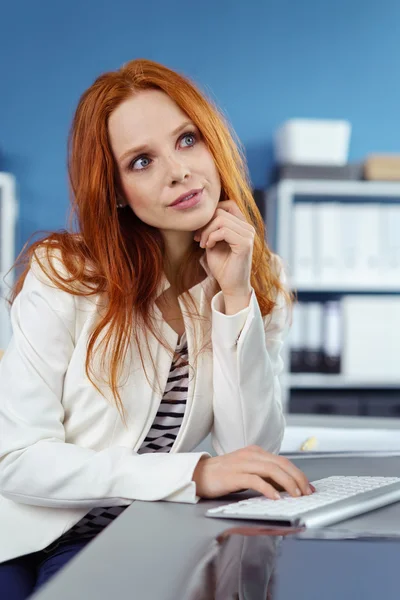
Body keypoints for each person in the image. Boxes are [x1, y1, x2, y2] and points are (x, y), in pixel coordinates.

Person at [0, 58, 314, 598]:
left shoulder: (258, 278)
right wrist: (191, 475)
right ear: (117, 189)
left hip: (138, 538)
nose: (178, 171)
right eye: (142, 160)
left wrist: (235, 298)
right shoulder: (66, 273)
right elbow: (16, 458)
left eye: (187, 139)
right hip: (20, 535)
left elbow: (250, 450)